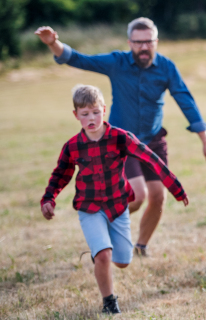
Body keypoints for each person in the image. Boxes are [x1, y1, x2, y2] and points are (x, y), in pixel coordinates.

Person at [34, 18, 206, 257]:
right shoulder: (117, 62)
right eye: (138, 42)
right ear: (129, 42)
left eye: (148, 42)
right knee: (138, 195)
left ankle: (141, 246)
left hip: (153, 140)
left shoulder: (166, 67)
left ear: (156, 41)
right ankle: (101, 227)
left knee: (158, 197)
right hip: (120, 143)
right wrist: (54, 44)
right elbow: (80, 59)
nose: (143, 47)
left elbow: (186, 101)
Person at [40, 85, 188, 314]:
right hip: (89, 208)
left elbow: (151, 159)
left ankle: (101, 247)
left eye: (96, 112)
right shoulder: (72, 146)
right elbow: (61, 174)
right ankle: (109, 302)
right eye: (85, 113)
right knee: (104, 256)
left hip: (118, 206)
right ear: (76, 115)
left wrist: (176, 188)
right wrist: (48, 198)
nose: (91, 118)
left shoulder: (120, 138)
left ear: (104, 110)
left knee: (122, 261)